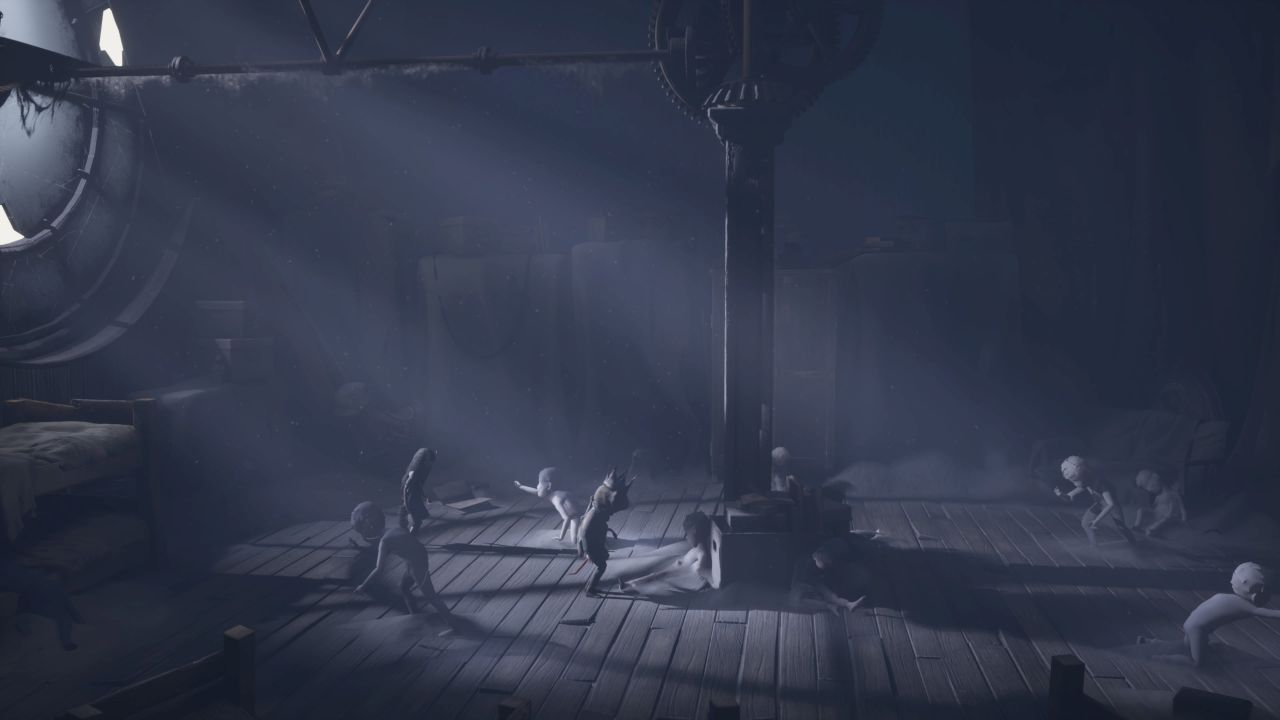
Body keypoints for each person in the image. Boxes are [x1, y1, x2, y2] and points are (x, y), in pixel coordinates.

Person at [1137, 562, 1280, 666]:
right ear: (1256, 594)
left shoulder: (1224, 596)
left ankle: (1151, 642)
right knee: (1197, 662)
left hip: (1191, 623)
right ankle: (1157, 658)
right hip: (1198, 629)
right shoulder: (1244, 605)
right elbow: (1267, 613)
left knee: (1186, 646)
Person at [350, 501, 456, 625]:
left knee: (431, 597)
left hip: (417, 568)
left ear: (370, 528)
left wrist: (363, 586)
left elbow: (379, 569)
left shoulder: (385, 541)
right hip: (414, 563)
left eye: (362, 531)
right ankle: (415, 616)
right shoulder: (395, 530)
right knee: (404, 588)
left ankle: (453, 625)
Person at [618, 511, 712, 593]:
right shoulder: (700, 548)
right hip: (675, 570)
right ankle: (629, 585)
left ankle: (629, 586)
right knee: (653, 576)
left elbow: (701, 570)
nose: (686, 537)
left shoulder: (702, 552)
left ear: (694, 531)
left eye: (687, 534)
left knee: (654, 577)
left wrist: (704, 577)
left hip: (676, 574)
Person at [1054, 455, 1134, 546]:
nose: (1073, 482)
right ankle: (1094, 546)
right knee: (1085, 524)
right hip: (1100, 503)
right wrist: (1061, 495)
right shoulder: (1085, 481)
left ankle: (1133, 543)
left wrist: (1096, 521)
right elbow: (1069, 497)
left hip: (1112, 506)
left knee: (1121, 527)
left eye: (1074, 479)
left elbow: (1110, 504)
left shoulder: (1099, 483)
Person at [577, 467, 632, 597]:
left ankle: (590, 587)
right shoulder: (595, 516)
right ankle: (590, 590)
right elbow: (585, 531)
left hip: (592, 542)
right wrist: (587, 551)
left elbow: (584, 520)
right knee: (602, 567)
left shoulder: (596, 511)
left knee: (602, 562)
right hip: (590, 545)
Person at [790, 537, 867, 613]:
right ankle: (831, 605)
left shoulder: (823, 563)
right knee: (802, 598)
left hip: (814, 583)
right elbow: (796, 584)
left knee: (829, 595)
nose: (829, 563)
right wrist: (806, 587)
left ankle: (848, 605)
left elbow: (820, 575)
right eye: (827, 562)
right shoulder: (805, 561)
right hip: (803, 587)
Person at [514, 467, 581, 543]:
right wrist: (521, 486)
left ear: (549, 485)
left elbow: (566, 518)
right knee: (574, 537)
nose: (537, 486)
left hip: (575, 516)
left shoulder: (557, 499)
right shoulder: (552, 494)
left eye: (539, 483)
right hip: (575, 514)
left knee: (574, 539)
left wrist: (561, 537)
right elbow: (536, 492)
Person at [1131, 469, 1186, 538]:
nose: (1151, 491)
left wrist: (1184, 518)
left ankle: (1152, 530)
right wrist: (1150, 510)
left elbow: (1181, 507)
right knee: (1141, 510)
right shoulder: (1158, 497)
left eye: (1152, 487)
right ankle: (1136, 526)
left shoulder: (1173, 494)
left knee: (1164, 519)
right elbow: (1154, 506)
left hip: (1167, 516)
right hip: (1157, 513)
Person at [398, 448, 436, 534]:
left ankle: (407, 529)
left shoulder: (421, 469)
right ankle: (408, 532)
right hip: (410, 494)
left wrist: (425, 497)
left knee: (412, 513)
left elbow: (418, 485)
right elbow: (406, 488)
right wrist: (407, 506)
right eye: (427, 460)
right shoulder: (414, 473)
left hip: (412, 493)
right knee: (413, 516)